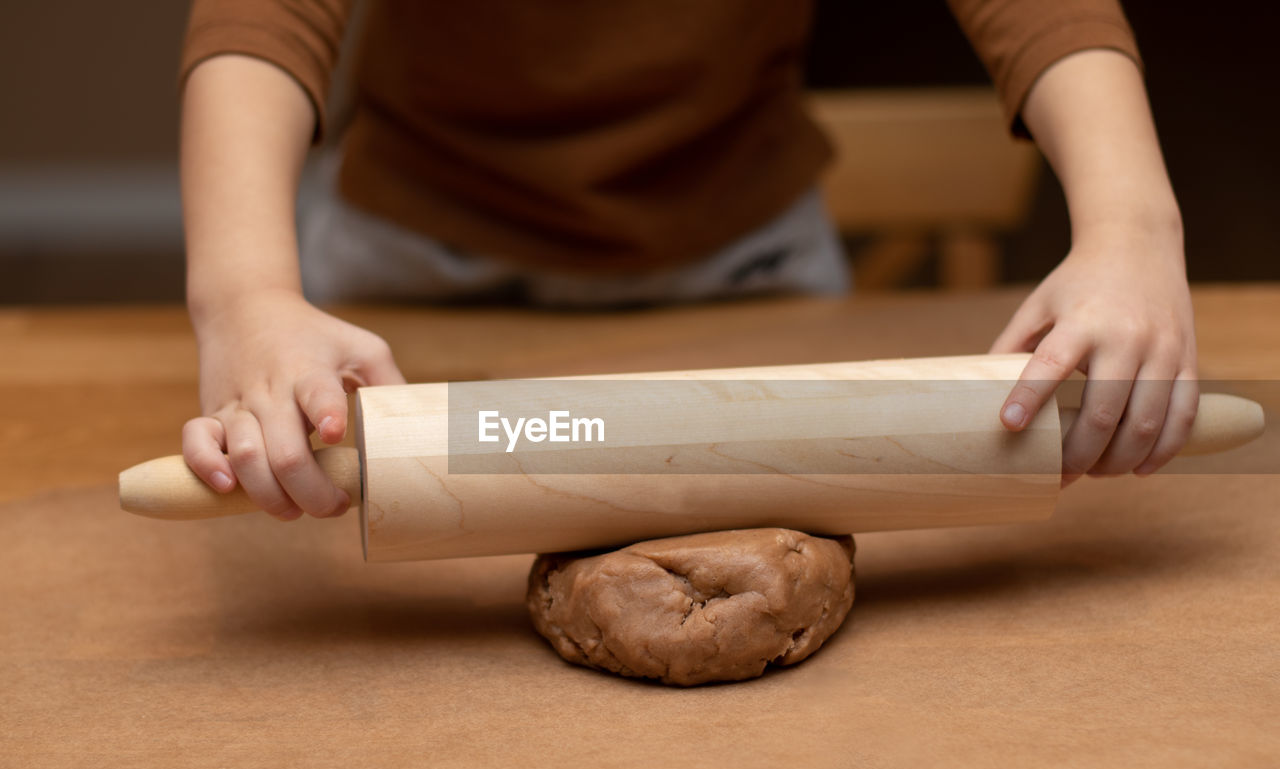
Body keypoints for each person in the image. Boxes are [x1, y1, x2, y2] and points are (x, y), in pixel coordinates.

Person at [177, 0, 1197, 521]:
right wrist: (245, 293)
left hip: (748, 264)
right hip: (405, 276)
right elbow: (263, 18)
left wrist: (1131, 228)